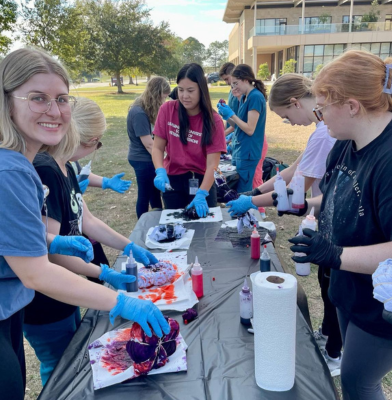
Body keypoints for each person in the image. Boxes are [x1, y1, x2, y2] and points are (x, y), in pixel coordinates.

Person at [0, 48, 169, 400]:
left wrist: (48, 242)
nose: (54, 110)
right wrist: (118, 299)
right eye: (37, 98)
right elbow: (36, 274)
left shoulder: (21, 166)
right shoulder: (13, 169)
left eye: (61, 99)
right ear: (7, 102)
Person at [287, 50, 392, 399]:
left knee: (357, 381)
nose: (319, 119)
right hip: (349, 288)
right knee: (353, 374)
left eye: (322, 109)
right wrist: (308, 205)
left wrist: (334, 254)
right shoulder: (344, 143)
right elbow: (338, 196)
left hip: (383, 303)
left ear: (352, 106)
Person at [226, 73, 340, 374]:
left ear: (294, 102)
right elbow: (294, 168)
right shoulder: (320, 129)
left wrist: (251, 202)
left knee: (332, 285)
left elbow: (295, 191)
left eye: (286, 117)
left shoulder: (325, 132)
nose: (290, 123)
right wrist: (256, 191)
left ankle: (334, 351)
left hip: (330, 215)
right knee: (326, 282)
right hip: (325, 212)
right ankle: (329, 335)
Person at [152, 63, 226, 217]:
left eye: (190, 90)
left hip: (202, 181)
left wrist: (202, 194)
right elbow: (157, 147)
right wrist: (159, 171)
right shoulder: (167, 110)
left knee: (205, 231)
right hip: (172, 179)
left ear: (201, 90)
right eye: (180, 90)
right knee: (174, 227)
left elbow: (213, 164)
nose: (184, 96)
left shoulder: (214, 121)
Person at [217, 64, 267, 193]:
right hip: (240, 149)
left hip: (248, 151)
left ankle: (250, 212)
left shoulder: (255, 97)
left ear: (245, 79)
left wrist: (231, 114)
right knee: (236, 188)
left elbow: (250, 129)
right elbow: (237, 125)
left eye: (236, 83)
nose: (234, 87)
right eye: (232, 84)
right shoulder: (244, 97)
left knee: (243, 191)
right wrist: (225, 115)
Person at [127, 77, 170, 219]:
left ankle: (157, 218)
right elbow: (149, 144)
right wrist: (162, 162)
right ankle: (143, 225)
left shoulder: (144, 108)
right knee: (145, 194)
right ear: (155, 95)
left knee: (154, 192)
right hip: (142, 160)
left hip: (146, 159)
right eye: (162, 98)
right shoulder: (139, 113)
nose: (163, 102)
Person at [219, 62, 240, 137]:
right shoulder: (231, 92)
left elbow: (240, 122)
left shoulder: (241, 94)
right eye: (224, 80)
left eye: (227, 79)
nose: (226, 82)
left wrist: (223, 135)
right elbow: (228, 119)